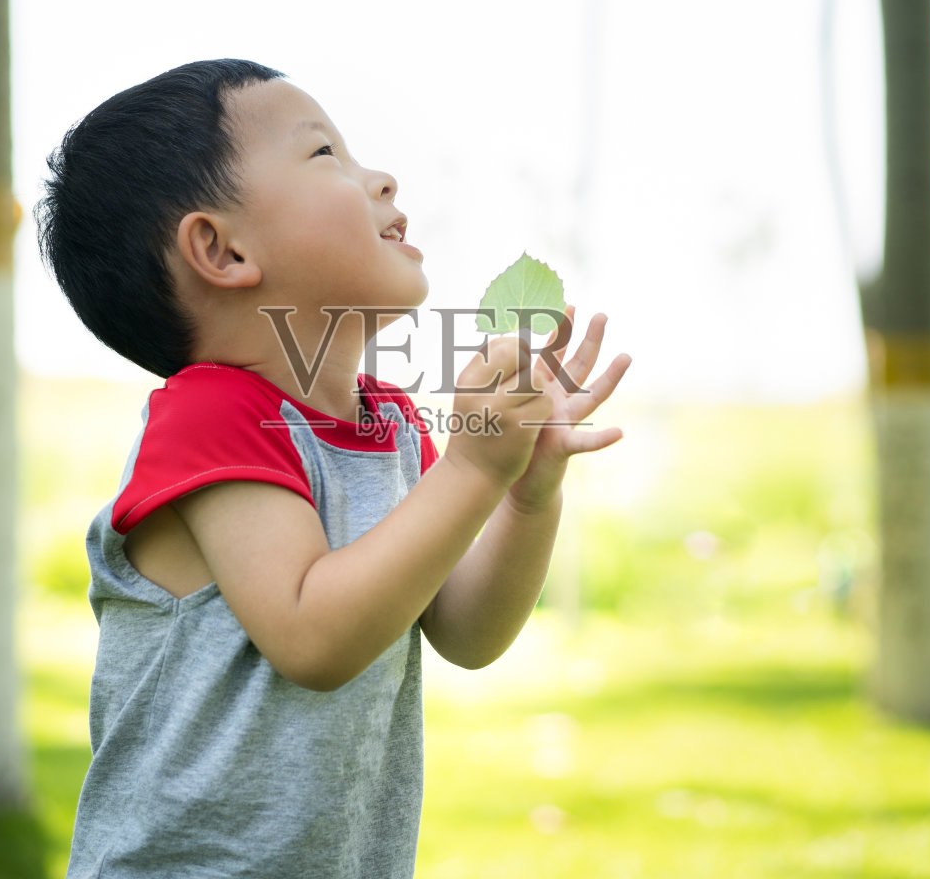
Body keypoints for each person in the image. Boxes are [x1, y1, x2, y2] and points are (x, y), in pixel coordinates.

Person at [36, 58, 631, 878]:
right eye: (326, 157)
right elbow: (313, 637)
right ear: (220, 248)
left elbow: (465, 630)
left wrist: (525, 493)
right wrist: (468, 471)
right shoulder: (213, 414)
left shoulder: (388, 423)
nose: (380, 180)